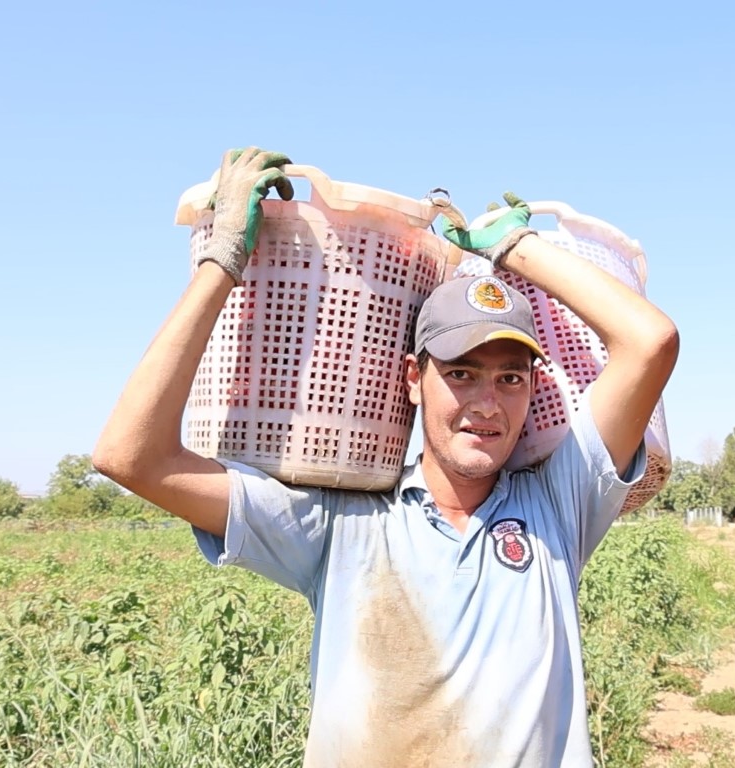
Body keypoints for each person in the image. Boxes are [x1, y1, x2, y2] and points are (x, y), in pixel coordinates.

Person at [92, 147, 679, 767]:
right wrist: (221, 261)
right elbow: (131, 457)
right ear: (410, 378)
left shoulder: (561, 506)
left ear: (535, 388)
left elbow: (649, 342)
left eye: (511, 378)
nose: (488, 403)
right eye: (461, 373)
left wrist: (514, 247)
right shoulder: (340, 526)